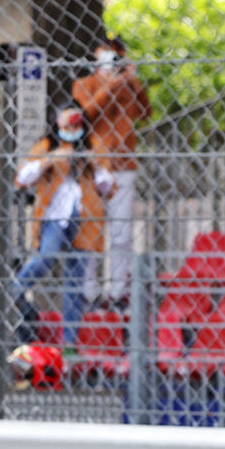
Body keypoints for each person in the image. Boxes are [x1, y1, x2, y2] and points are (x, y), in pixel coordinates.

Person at [13, 107, 114, 344]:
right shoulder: (47, 145)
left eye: (74, 126)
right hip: (54, 217)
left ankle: (69, 343)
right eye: (66, 125)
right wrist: (49, 161)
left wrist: (93, 164)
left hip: (84, 219)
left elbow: (109, 186)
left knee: (74, 282)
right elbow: (23, 177)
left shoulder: (94, 146)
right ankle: (12, 290)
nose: (70, 131)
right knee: (45, 257)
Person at [72, 37, 152, 308]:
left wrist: (133, 81)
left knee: (121, 233)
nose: (113, 61)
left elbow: (146, 112)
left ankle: (117, 293)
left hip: (124, 165)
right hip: (95, 166)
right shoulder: (85, 84)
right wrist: (109, 87)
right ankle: (90, 293)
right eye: (108, 55)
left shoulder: (129, 86)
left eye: (117, 56)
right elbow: (85, 115)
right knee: (92, 231)